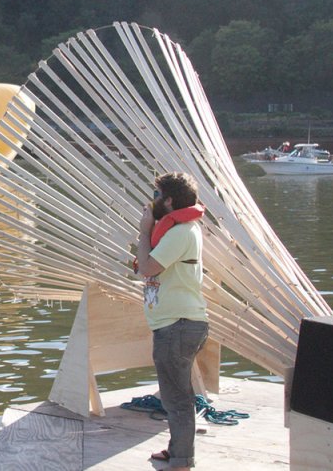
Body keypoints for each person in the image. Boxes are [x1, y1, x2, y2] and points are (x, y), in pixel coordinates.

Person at [135, 172, 209, 470]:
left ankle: (182, 461)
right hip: (180, 323)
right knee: (175, 395)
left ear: (168, 201)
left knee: (177, 399)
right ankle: (177, 449)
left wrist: (143, 232)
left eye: (157, 194)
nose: (152, 200)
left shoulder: (180, 233)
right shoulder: (183, 230)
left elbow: (148, 268)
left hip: (177, 326)